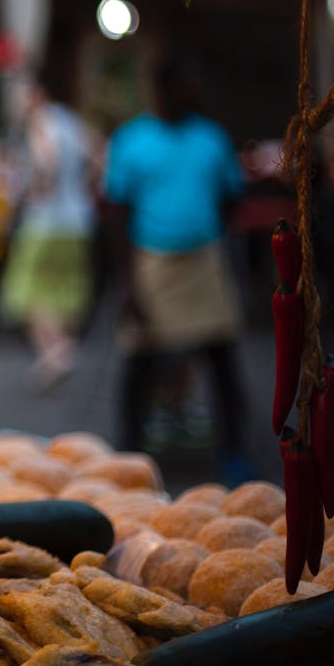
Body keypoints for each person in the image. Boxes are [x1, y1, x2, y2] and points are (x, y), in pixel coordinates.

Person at [103, 54, 251, 479]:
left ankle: (235, 452)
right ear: (164, 90)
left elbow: (231, 199)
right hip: (152, 263)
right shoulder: (132, 141)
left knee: (222, 360)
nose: (194, 93)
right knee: (140, 364)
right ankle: (130, 454)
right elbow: (118, 214)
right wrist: (127, 283)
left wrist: (207, 236)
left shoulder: (211, 139)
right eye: (186, 85)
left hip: (203, 261)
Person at [0, 70, 98, 390]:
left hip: (45, 222)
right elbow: (99, 155)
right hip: (78, 221)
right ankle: (59, 352)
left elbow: (46, 163)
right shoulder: (69, 120)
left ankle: (57, 352)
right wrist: (84, 190)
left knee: (25, 292)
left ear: (36, 93)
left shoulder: (39, 122)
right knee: (65, 290)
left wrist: (31, 191)